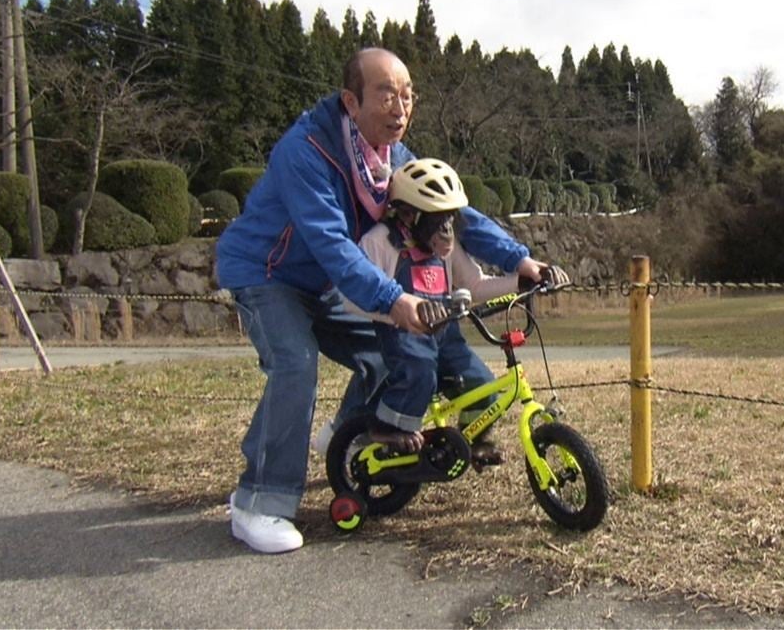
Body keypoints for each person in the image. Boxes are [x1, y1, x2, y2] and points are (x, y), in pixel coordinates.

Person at [215, 48, 552, 554]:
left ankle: (345, 437)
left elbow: (451, 211)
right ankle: (258, 500)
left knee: (383, 356)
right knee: (295, 363)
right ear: (351, 100)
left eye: (408, 94)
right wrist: (395, 299)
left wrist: (518, 258)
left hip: (329, 283)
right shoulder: (305, 150)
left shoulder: (390, 156)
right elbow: (331, 243)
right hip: (268, 273)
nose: (401, 106)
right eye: (387, 94)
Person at [343, 157, 569, 463]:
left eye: (451, 219)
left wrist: (520, 281)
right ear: (409, 215)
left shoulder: (446, 250)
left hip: (446, 334)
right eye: (439, 221)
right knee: (419, 371)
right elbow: (352, 298)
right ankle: (385, 428)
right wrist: (396, 310)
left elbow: (474, 285)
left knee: (484, 387)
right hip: (403, 334)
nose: (448, 230)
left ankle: (468, 442)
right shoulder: (380, 242)